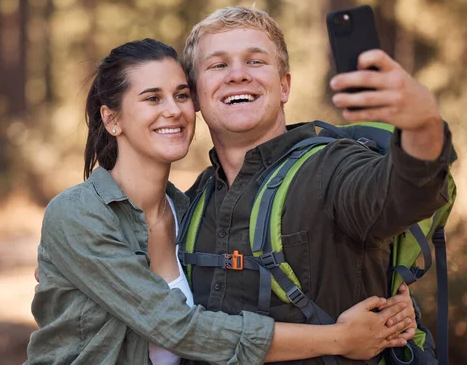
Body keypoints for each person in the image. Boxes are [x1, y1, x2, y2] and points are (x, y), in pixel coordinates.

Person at [24, 38, 414, 365]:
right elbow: (180, 328)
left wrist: (383, 299)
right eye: (151, 98)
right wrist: (339, 339)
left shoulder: (191, 210)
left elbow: (248, 296)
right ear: (112, 119)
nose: (173, 110)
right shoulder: (81, 213)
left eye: (180, 95)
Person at [178, 6, 454, 365]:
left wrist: (422, 124)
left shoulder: (332, 168)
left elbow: (404, 194)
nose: (237, 75)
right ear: (196, 95)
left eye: (255, 61)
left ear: (285, 86)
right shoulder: (192, 201)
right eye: (218, 65)